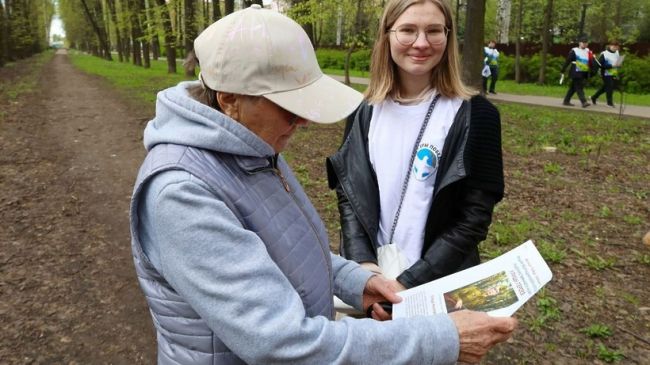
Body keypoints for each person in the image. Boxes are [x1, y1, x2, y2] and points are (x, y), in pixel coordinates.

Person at [129, 4, 517, 365]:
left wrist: (357, 282)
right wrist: (441, 338)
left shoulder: (250, 150)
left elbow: (288, 246)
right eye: (288, 107)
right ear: (230, 99)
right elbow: (282, 342)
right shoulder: (182, 194)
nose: (304, 122)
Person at [327, 0, 505, 294]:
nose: (421, 43)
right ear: (387, 35)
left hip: (439, 285)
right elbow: (350, 196)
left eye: (434, 31)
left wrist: (407, 284)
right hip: (370, 279)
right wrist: (364, 267)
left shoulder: (478, 115)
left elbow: (474, 219)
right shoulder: (363, 111)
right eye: (407, 30)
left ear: (447, 37)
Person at [561, 35, 594, 108]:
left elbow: (591, 61)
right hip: (575, 71)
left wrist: (592, 69)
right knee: (579, 86)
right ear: (579, 43)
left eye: (586, 42)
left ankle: (566, 101)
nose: (585, 44)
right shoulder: (574, 51)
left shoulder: (588, 51)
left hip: (583, 72)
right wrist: (563, 69)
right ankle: (584, 102)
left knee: (573, 87)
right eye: (583, 42)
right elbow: (568, 61)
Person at [591, 40, 622, 108]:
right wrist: (611, 66)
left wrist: (619, 64)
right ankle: (609, 103)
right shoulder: (604, 54)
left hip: (613, 73)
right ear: (610, 46)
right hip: (605, 73)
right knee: (610, 86)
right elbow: (600, 65)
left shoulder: (617, 52)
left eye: (616, 47)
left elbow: (618, 61)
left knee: (605, 87)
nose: (615, 48)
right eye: (613, 46)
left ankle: (594, 97)